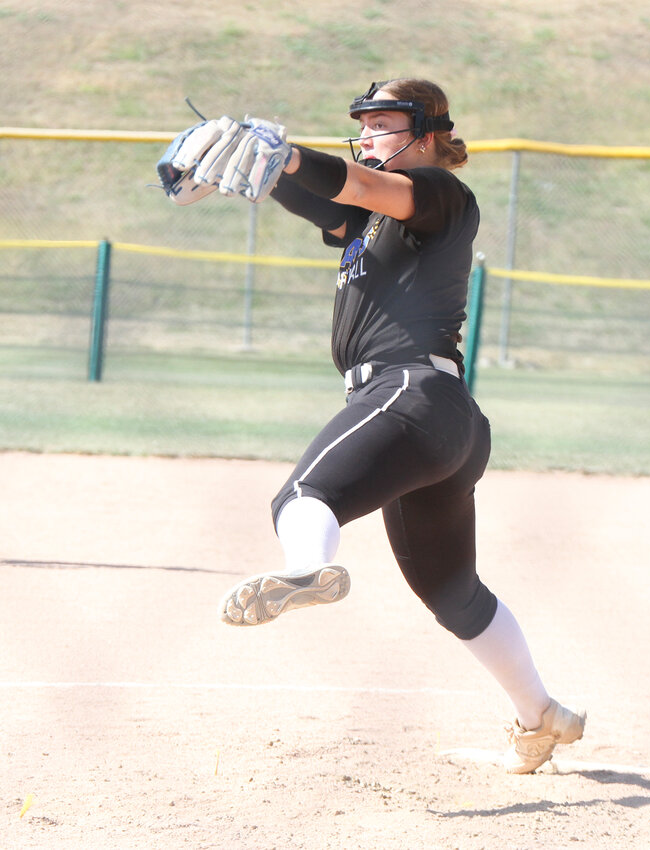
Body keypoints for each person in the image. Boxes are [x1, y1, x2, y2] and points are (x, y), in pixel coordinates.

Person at [164, 78, 586, 774]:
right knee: (453, 594)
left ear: (428, 132)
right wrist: (257, 174)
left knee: (303, 497)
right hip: (442, 420)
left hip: (408, 393)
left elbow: (356, 186)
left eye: (383, 123)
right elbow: (329, 203)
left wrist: (289, 155)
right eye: (361, 125)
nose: (366, 134)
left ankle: (304, 568)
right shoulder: (366, 221)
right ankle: (540, 717)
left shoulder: (438, 193)